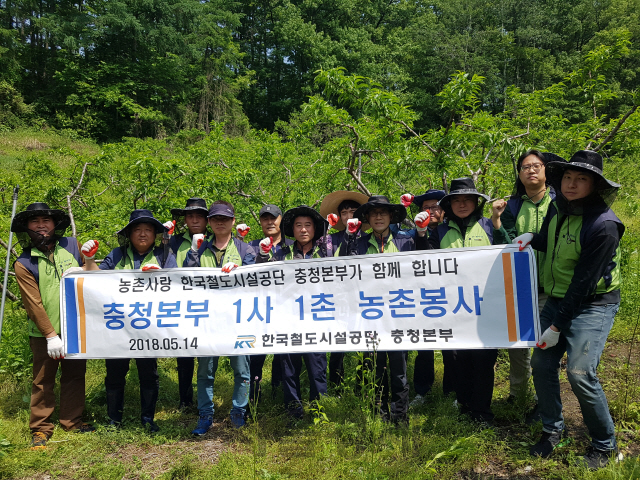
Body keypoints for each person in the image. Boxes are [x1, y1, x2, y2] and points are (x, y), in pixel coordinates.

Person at [514, 150, 624, 469]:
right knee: (542, 362)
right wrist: (533, 238)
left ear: (595, 185)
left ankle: (604, 445)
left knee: (579, 372)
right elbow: (552, 241)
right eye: (568, 177)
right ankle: (552, 430)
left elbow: (584, 284)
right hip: (560, 298)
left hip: (592, 305)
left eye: (582, 179)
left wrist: (556, 326)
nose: (572, 184)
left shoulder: (604, 225)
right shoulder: (559, 208)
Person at [340, 195, 431, 425]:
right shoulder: (360, 244)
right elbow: (342, 269)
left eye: (383, 212)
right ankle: (377, 415)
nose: (378, 216)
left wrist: (421, 232)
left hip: (399, 314)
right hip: (369, 315)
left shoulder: (405, 241)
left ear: (391, 217)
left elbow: (424, 260)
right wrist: (349, 237)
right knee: (373, 366)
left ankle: (400, 416)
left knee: (399, 369)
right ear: (367, 219)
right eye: (373, 213)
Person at [13, 203, 96, 449]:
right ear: (27, 228)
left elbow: (91, 275)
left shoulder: (70, 246)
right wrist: (50, 335)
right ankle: (40, 428)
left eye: (46, 221)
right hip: (43, 334)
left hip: (74, 326)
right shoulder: (25, 262)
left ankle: (72, 420)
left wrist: (89, 259)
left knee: (74, 375)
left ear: (54, 224)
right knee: (42, 379)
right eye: (35, 221)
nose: (41, 225)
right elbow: (34, 304)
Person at [85, 209, 177, 432]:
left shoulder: (165, 255)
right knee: (115, 372)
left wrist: (161, 276)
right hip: (118, 327)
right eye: (138, 230)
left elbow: (177, 285)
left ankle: (148, 419)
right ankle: (114, 420)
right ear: (129, 233)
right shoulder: (117, 254)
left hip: (149, 327)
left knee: (149, 372)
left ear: (156, 234)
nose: (143, 234)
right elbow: (94, 279)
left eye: (148, 230)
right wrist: (88, 259)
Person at [491, 151, 561, 410]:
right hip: (520, 285)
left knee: (543, 345)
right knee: (518, 343)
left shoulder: (560, 201)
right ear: (519, 174)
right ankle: (518, 394)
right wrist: (497, 219)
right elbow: (506, 242)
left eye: (536, 166)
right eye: (525, 167)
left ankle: (544, 399)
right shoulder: (513, 205)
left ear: (545, 170)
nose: (531, 171)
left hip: (550, 286)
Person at [427, 178, 498, 425]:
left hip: (485, 306)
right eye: (456, 200)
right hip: (452, 307)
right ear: (449, 205)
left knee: (483, 360)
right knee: (458, 359)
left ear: (476, 202)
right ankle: (465, 407)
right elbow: (427, 266)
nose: (462, 204)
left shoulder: (489, 227)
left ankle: (483, 411)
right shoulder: (440, 232)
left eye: (467, 199)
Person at [184, 200, 255, 432]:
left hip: (239, 319)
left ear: (233, 221)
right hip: (206, 320)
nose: (220, 223)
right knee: (205, 370)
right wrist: (193, 252)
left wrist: (241, 273)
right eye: (216, 219)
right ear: (209, 222)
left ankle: (238, 412)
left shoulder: (245, 250)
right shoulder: (199, 248)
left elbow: (257, 281)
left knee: (242, 369)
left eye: (225, 219)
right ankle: (205, 415)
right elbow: (184, 279)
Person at [256, 205, 329, 420]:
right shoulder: (281, 255)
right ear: (292, 230)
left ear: (315, 229)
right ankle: (293, 410)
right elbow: (263, 277)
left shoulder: (325, 254)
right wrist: (261, 256)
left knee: (317, 369)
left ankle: (318, 410)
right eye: (298, 226)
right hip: (287, 321)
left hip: (317, 319)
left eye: (308, 225)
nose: (303, 230)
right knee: (289, 368)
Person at [404, 189, 450, 408]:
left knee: (453, 346)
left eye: (435, 207)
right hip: (422, 297)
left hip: (451, 297)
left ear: (443, 209)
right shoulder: (412, 234)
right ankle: (422, 392)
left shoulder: (450, 230)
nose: (430, 211)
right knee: (424, 346)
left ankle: (452, 392)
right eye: (425, 208)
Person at [165, 197, 211, 410]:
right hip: (183, 303)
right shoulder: (173, 241)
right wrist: (164, 239)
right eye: (190, 216)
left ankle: (207, 398)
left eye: (199, 216)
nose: (194, 220)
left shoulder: (215, 238)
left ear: (206, 219)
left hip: (210, 302)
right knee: (184, 352)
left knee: (209, 351)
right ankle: (185, 399)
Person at [319, 191, 368, 386]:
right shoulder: (330, 240)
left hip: (365, 298)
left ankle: (363, 382)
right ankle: (336, 383)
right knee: (338, 341)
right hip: (338, 298)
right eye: (344, 212)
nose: (349, 215)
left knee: (364, 339)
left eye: (353, 211)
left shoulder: (368, 238)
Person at [247, 204, 293, 403]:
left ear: (281, 219)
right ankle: (253, 398)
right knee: (257, 355)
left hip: (286, 308)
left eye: (273, 218)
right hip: (260, 310)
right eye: (265, 218)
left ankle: (278, 395)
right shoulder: (251, 245)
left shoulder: (291, 245)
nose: (269, 222)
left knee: (282, 356)